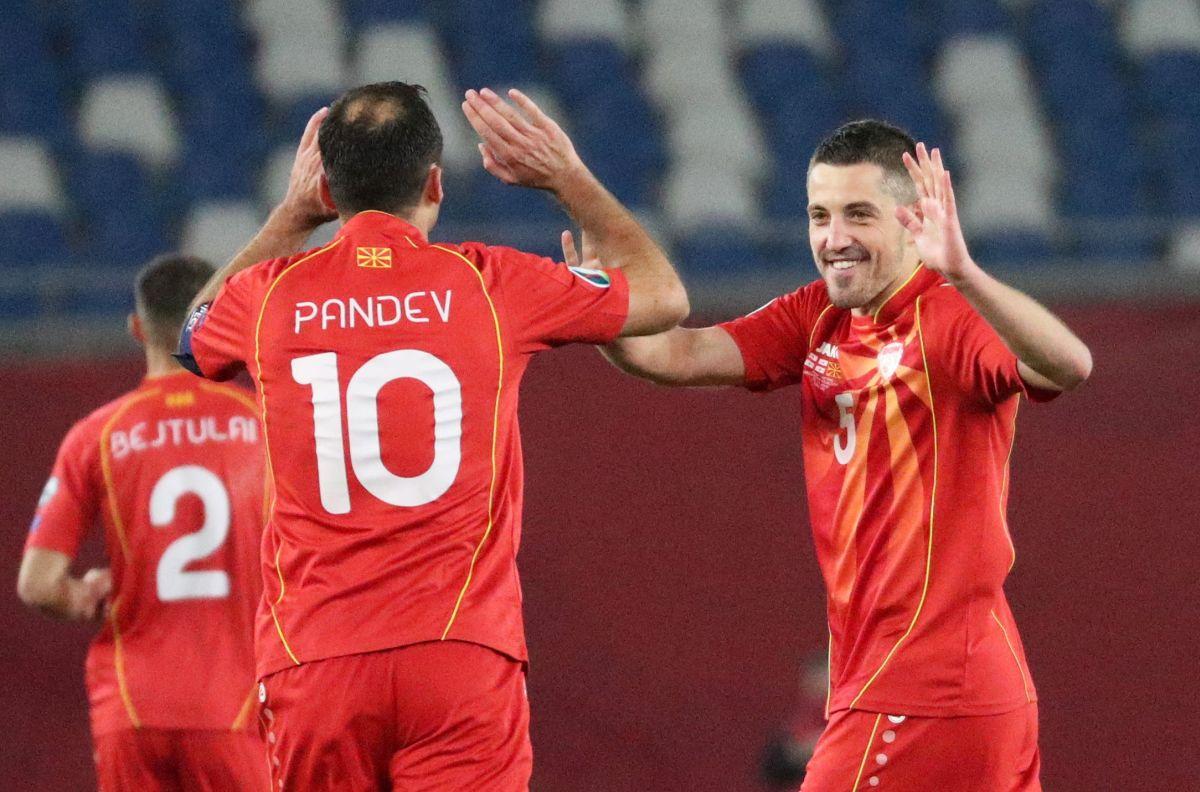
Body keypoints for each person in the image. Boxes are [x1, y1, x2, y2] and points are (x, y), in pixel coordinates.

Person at [175, 81, 688, 790]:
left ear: (328, 184)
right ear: (436, 183)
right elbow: (665, 296)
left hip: (315, 660)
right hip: (459, 654)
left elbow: (190, 340)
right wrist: (568, 178)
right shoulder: (491, 282)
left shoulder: (268, 296)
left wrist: (290, 217)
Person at [595, 120, 1092, 791]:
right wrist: (594, 305)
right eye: (819, 215)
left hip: (922, 686)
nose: (834, 239)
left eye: (858, 214)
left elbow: (1067, 365)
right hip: (939, 682)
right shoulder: (817, 319)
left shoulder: (950, 318)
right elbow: (671, 354)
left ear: (911, 221)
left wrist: (964, 271)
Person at [18, 254, 269, 791]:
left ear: (136, 328)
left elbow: (37, 584)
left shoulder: (98, 435)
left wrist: (81, 594)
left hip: (130, 706)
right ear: (216, 317)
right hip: (237, 704)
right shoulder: (262, 423)